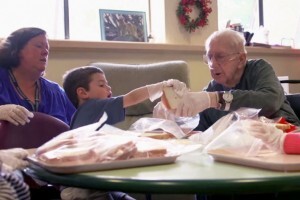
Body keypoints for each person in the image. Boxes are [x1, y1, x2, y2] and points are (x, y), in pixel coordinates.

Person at [173, 29, 300, 131]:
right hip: (241, 151)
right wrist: (175, 116)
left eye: (220, 57)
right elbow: (199, 133)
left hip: (285, 136)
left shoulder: (259, 69)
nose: (212, 64)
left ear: (241, 59)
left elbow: (270, 101)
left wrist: (216, 99)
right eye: (209, 57)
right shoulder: (211, 89)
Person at [63, 66, 187, 129]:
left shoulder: (80, 115)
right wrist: (161, 86)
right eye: (101, 85)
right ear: (83, 93)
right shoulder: (93, 105)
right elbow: (132, 98)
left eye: (107, 83)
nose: (108, 88)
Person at [0, 27, 76, 126]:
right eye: (39, 46)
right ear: (16, 50)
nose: (45, 52)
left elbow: (79, 127)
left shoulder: (56, 92)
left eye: (47, 48)